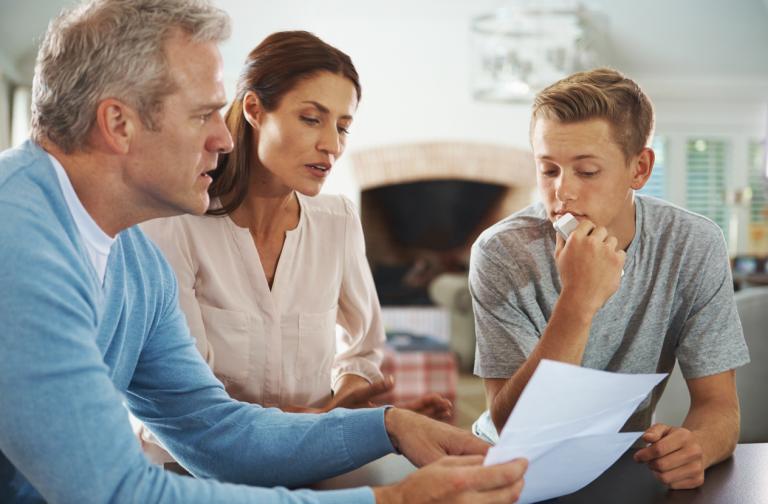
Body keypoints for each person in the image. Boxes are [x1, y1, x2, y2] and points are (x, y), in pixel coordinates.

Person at [0, 1, 528, 502]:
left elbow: (213, 429)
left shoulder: (134, 256)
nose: (224, 138)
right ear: (119, 124)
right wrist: (390, 500)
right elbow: (115, 492)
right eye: (203, 114)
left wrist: (388, 425)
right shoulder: (19, 241)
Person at [140, 31, 451, 427]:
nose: (332, 145)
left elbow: (362, 349)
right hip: (195, 466)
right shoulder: (174, 225)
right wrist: (336, 423)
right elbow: (190, 402)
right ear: (254, 109)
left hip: (311, 446)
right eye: (310, 119)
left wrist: (351, 402)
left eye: (342, 127)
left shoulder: (336, 221)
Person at [470, 68, 749, 490]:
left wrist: (698, 446)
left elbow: (719, 407)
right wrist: (578, 300)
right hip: (511, 471)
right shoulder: (501, 253)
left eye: (586, 171)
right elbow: (514, 428)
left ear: (639, 169)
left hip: (621, 464)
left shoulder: (693, 245)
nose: (563, 193)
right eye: (549, 170)